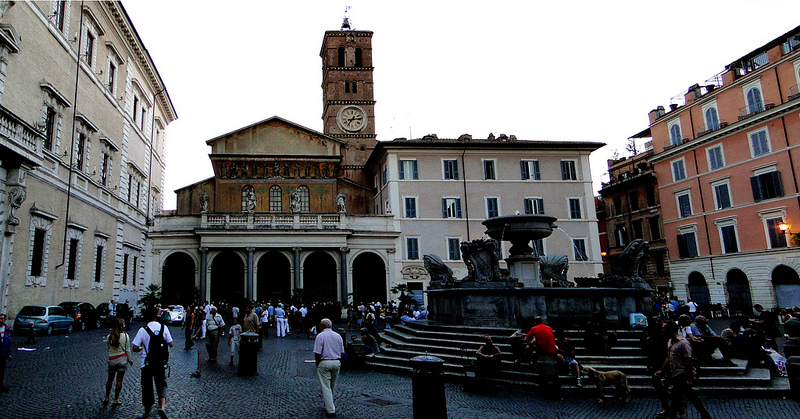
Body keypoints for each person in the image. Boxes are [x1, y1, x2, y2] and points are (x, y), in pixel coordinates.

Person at [654, 321, 711, 419]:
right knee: (690, 396)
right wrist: (661, 370)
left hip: (682, 373)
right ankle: (705, 415)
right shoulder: (670, 341)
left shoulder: (683, 343)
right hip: (675, 373)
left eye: (664, 328)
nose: (662, 330)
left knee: (677, 395)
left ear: (670, 329)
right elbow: (669, 357)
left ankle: (671, 415)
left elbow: (688, 361)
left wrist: (689, 378)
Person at [132, 307, 174, 419]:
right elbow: (171, 343)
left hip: (146, 363)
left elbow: (134, 347)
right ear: (156, 316)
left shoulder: (143, 330)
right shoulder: (163, 327)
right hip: (160, 362)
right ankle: (162, 407)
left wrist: (141, 348)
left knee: (147, 387)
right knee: (161, 384)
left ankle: (147, 413)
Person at [314, 318, 345, 418]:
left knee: (326, 387)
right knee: (332, 385)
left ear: (323, 326)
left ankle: (330, 410)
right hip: (336, 362)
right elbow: (342, 352)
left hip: (324, 362)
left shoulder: (320, 336)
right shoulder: (338, 336)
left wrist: (317, 364)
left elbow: (317, 353)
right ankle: (328, 403)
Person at [104, 318, 133, 406]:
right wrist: (130, 360)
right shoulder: (126, 336)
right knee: (119, 380)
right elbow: (128, 350)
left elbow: (109, 348)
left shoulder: (109, 336)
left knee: (110, 379)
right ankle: (116, 399)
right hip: (122, 360)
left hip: (112, 359)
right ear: (121, 326)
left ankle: (107, 397)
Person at [0, 313, 11, 393]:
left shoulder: (6, 329)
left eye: (2, 319)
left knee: (2, 370)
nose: (0, 320)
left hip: (3, 353)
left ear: (4, 320)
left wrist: (9, 353)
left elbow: (9, 342)